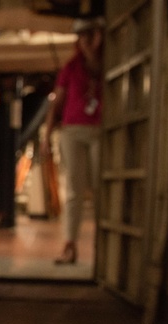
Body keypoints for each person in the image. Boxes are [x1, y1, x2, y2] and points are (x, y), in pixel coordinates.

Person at [41, 16, 105, 265]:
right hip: (73, 130)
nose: (86, 42)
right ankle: (70, 245)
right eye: (82, 37)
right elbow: (56, 103)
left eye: (91, 36)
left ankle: (104, 245)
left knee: (102, 188)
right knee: (74, 191)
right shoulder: (71, 67)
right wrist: (46, 136)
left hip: (100, 130)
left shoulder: (106, 64)